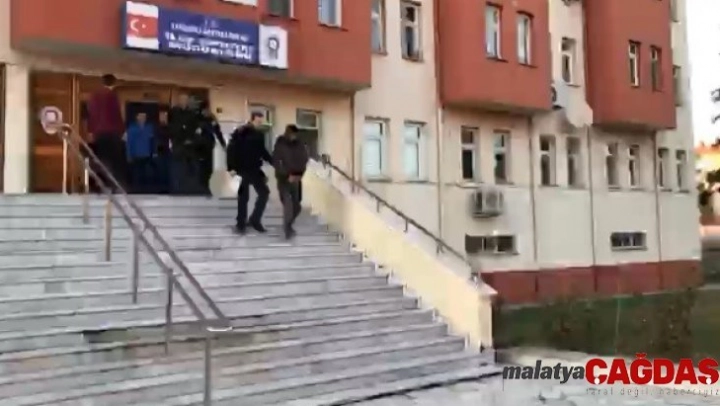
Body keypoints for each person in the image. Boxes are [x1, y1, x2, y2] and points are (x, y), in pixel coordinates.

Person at [227, 111, 272, 234]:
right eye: (258, 121)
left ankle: (254, 220)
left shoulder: (259, 135)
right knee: (243, 197)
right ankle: (240, 224)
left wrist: (274, 162)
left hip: (255, 169)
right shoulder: (241, 131)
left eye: (261, 121)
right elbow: (231, 149)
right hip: (241, 169)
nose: (260, 123)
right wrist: (231, 168)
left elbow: (263, 151)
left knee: (264, 193)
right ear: (252, 119)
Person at [86, 74, 126, 191]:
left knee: (101, 159)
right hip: (112, 132)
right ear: (114, 83)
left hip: (99, 133)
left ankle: (100, 185)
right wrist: (122, 131)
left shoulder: (94, 96)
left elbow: (91, 115)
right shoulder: (112, 96)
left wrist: (91, 131)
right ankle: (114, 185)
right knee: (114, 160)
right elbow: (116, 114)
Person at [273, 124, 309, 239]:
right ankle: (287, 230)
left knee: (297, 207)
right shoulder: (280, 144)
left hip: (296, 179)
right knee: (288, 205)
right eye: (292, 135)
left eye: (295, 135)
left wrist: (300, 175)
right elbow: (276, 162)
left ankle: (288, 225)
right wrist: (286, 175)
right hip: (284, 180)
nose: (294, 137)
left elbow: (304, 160)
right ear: (288, 133)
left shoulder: (300, 144)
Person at [168, 93, 201, 195]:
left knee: (191, 166)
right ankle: (176, 188)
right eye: (182, 99)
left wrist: (191, 139)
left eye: (185, 99)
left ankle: (190, 188)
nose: (184, 101)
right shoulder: (173, 112)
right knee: (177, 166)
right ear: (179, 100)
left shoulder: (192, 114)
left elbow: (195, 128)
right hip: (177, 142)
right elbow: (171, 126)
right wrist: (175, 137)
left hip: (189, 143)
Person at [197, 102, 227, 195]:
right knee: (202, 167)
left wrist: (223, 144)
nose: (208, 111)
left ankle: (208, 187)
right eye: (206, 110)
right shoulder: (198, 119)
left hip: (209, 146)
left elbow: (218, 132)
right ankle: (202, 187)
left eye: (208, 109)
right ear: (202, 110)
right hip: (199, 147)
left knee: (209, 167)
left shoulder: (212, 119)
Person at [125, 112, 155, 194]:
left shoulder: (149, 128)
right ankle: (137, 191)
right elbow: (129, 143)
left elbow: (152, 141)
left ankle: (146, 191)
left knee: (147, 174)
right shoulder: (132, 128)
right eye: (140, 116)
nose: (142, 118)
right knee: (137, 174)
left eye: (144, 116)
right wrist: (129, 155)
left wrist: (153, 152)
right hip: (136, 155)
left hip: (147, 154)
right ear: (137, 117)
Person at [153, 108, 172, 194]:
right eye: (162, 115)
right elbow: (155, 139)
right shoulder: (156, 126)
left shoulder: (170, 126)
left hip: (168, 151)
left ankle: (167, 188)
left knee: (167, 170)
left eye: (165, 115)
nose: (163, 117)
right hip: (159, 151)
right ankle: (160, 188)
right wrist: (154, 151)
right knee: (160, 170)